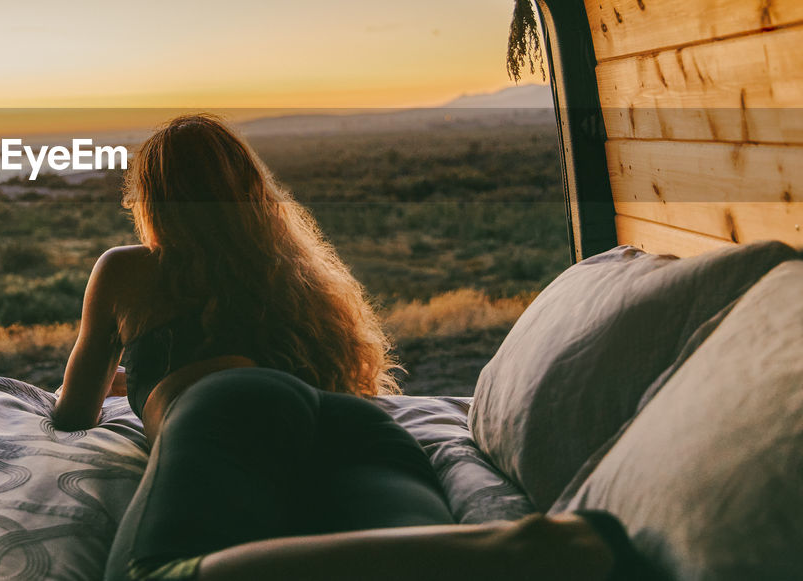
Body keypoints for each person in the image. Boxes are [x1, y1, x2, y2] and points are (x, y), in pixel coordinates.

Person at [51, 114, 648, 581]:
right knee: (421, 560)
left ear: (152, 197)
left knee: (148, 573)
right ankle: (536, 549)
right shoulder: (280, 268)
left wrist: (109, 381)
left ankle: (529, 552)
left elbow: (74, 414)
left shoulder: (126, 269)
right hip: (356, 426)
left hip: (225, 409)